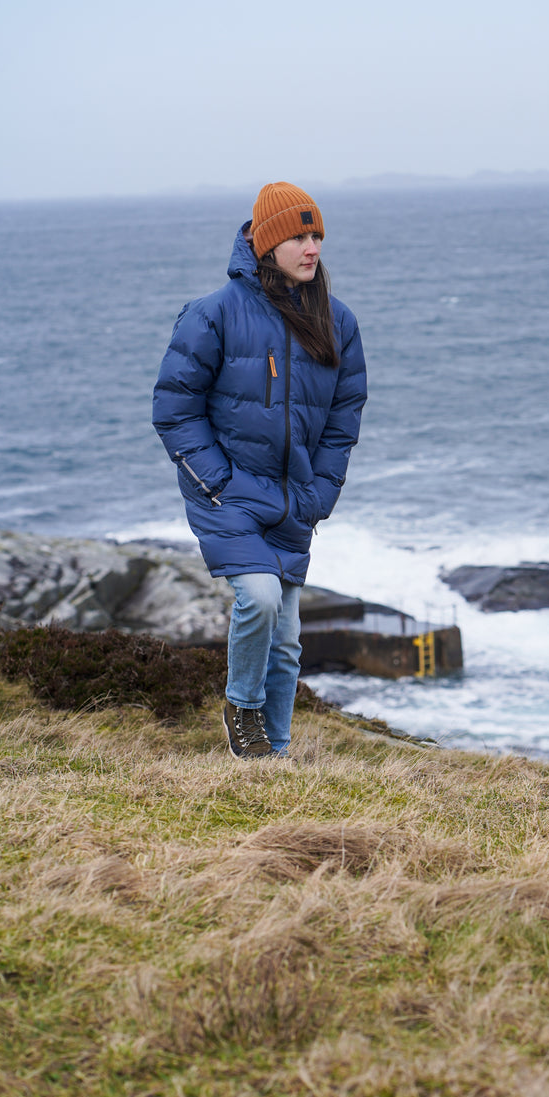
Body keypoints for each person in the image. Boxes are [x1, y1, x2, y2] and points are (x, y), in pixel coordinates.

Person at [152, 182, 367, 759]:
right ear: (268, 243)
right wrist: (215, 482)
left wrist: (318, 494)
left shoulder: (337, 323)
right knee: (260, 599)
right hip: (227, 493)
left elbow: (344, 418)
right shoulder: (213, 314)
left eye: (317, 234)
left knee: (290, 641)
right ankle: (241, 710)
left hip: (293, 500)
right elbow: (174, 410)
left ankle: (271, 756)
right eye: (298, 235)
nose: (312, 246)